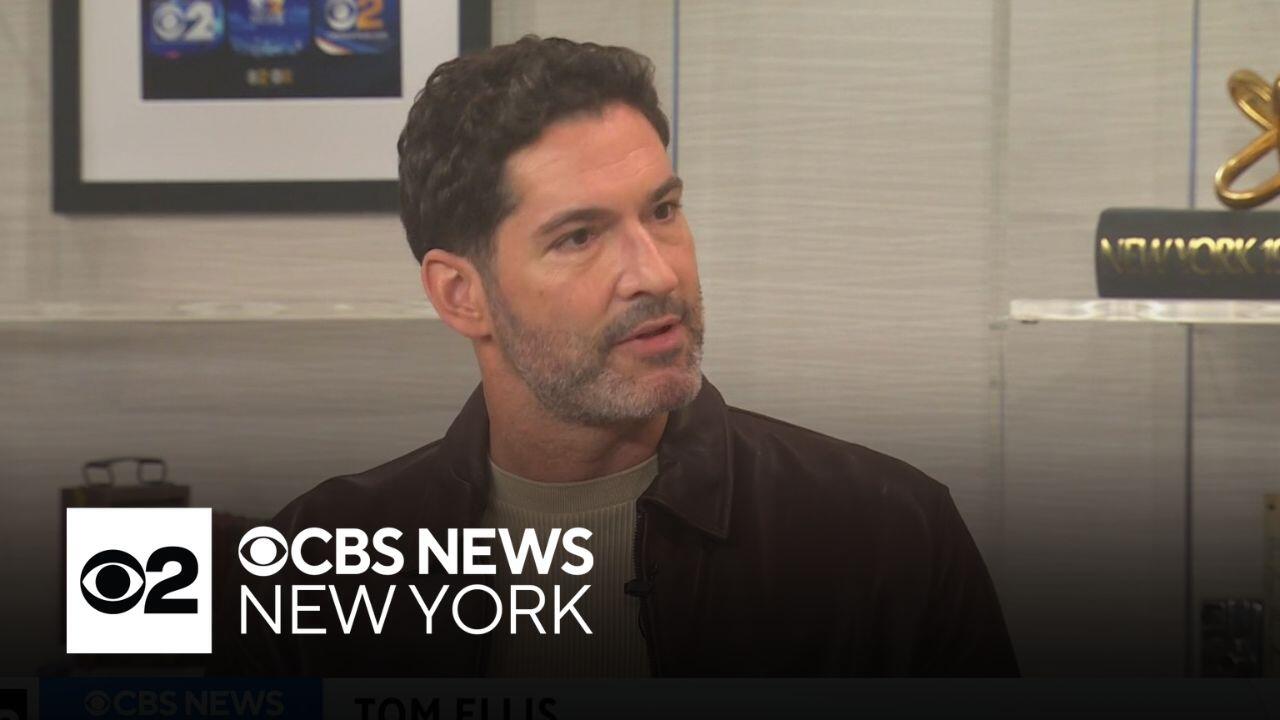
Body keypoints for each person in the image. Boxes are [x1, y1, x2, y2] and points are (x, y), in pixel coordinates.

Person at [219, 35, 1018, 677]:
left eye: (663, 210)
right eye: (579, 236)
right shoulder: (314, 563)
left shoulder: (889, 539)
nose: (657, 273)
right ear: (462, 295)